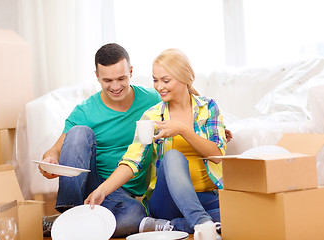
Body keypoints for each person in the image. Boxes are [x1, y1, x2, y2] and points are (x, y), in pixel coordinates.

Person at [85, 48, 228, 240]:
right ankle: (202, 223)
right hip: (166, 201)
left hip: (206, 198)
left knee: (243, 214)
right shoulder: (152, 116)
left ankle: (173, 226)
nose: (159, 87)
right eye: (155, 80)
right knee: (172, 157)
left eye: (165, 80)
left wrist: (183, 130)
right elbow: (132, 160)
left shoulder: (208, 108)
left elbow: (217, 156)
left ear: (186, 78)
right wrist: (102, 190)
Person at [39, 43, 162, 237]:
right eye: (107, 80)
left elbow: (183, 96)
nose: (115, 87)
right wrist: (50, 161)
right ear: (97, 77)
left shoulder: (152, 99)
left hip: (122, 196)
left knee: (135, 215)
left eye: (121, 78)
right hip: (92, 186)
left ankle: (67, 226)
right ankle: (70, 211)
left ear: (131, 71)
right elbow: (54, 151)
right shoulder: (85, 111)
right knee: (79, 132)